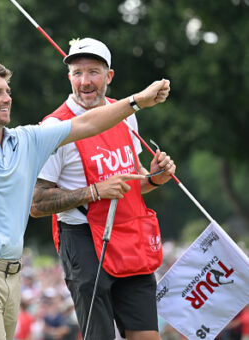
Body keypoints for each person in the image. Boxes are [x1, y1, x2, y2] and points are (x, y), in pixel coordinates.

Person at [0, 28, 169, 339]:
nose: (7, 98)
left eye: (7, 91)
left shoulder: (27, 139)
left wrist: (137, 102)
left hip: (11, 274)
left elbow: (88, 122)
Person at [31, 38, 176, 340]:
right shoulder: (53, 127)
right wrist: (94, 192)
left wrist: (154, 178)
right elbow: (36, 203)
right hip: (83, 241)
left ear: (109, 76)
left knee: (148, 335)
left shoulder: (125, 113)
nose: (85, 82)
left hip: (130, 233)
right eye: (77, 73)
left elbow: (132, 181)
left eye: (93, 72)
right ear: (68, 76)